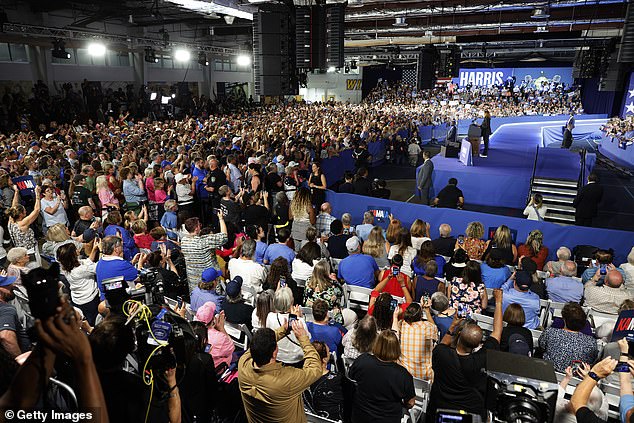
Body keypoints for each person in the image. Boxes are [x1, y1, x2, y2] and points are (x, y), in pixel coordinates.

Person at [427, 289, 504, 420]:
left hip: (439, 409)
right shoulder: (481, 359)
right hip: (470, 412)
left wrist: (453, 325)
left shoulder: (441, 354)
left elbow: (444, 342)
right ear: (478, 344)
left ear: (459, 335)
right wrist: (498, 302)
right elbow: (497, 332)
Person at [238, 319, 322, 423]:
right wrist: (303, 338)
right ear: (274, 353)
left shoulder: (243, 364)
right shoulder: (287, 380)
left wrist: (284, 329)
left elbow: (259, 345)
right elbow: (315, 369)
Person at [349, 330, 415, 423]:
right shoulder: (403, 374)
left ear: (377, 344)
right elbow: (410, 402)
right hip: (387, 418)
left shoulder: (363, 360)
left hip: (360, 416)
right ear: (396, 348)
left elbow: (351, 376)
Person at [538, 302, 598, 372]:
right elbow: (592, 360)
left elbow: (541, 346)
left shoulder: (550, 332)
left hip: (547, 373)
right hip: (576, 380)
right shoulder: (591, 342)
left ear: (564, 320)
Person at [56, 241, 101, 325]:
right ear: (72, 255)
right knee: (93, 322)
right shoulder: (80, 270)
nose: (78, 250)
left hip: (77, 299)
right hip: (89, 300)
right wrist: (102, 252)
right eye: (75, 250)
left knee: (85, 320)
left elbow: (87, 262)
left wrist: (94, 249)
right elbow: (99, 267)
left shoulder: (66, 266)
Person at [181, 214, 228, 293]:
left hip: (194, 284)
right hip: (210, 281)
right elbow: (224, 237)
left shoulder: (183, 241)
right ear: (196, 228)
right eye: (199, 225)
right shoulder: (203, 241)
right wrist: (221, 219)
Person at [266, 287, 312, 365]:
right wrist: (299, 317)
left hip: (277, 356)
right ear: (291, 302)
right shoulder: (299, 321)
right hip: (296, 358)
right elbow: (307, 338)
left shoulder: (270, 317)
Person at [395, 301, 438, 380]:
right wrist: (426, 310)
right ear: (421, 315)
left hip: (403, 374)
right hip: (424, 376)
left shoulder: (401, 324)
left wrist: (395, 317)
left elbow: (395, 333)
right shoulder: (428, 327)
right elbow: (435, 329)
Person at [569, 357, 619, 422]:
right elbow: (603, 399)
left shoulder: (567, 417)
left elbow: (576, 402)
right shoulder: (603, 413)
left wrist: (592, 375)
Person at [306, 341, 344, 421]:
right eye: (328, 352)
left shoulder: (300, 378)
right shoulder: (337, 380)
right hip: (333, 419)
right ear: (324, 359)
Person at [95, 235, 142, 300]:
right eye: (122, 246)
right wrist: (140, 264)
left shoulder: (100, 262)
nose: (123, 248)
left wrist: (132, 262)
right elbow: (140, 277)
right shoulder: (122, 265)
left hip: (105, 299)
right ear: (116, 249)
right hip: (121, 302)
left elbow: (118, 271)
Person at [6, 185, 42, 263]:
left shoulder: (11, 221)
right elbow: (37, 210)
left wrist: (16, 192)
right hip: (29, 253)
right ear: (21, 214)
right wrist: (37, 194)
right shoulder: (23, 224)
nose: (26, 211)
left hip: (19, 252)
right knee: (34, 271)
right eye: (24, 211)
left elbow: (14, 205)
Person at [195, 301, 235, 369]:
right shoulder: (219, 337)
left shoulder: (191, 330)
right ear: (213, 319)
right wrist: (222, 329)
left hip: (197, 368)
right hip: (215, 369)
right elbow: (232, 348)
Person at [303, 259, 344, 324]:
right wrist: (335, 280)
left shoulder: (308, 281)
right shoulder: (333, 285)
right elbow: (341, 293)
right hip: (327, 318)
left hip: (309, 316)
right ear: (326, 272)